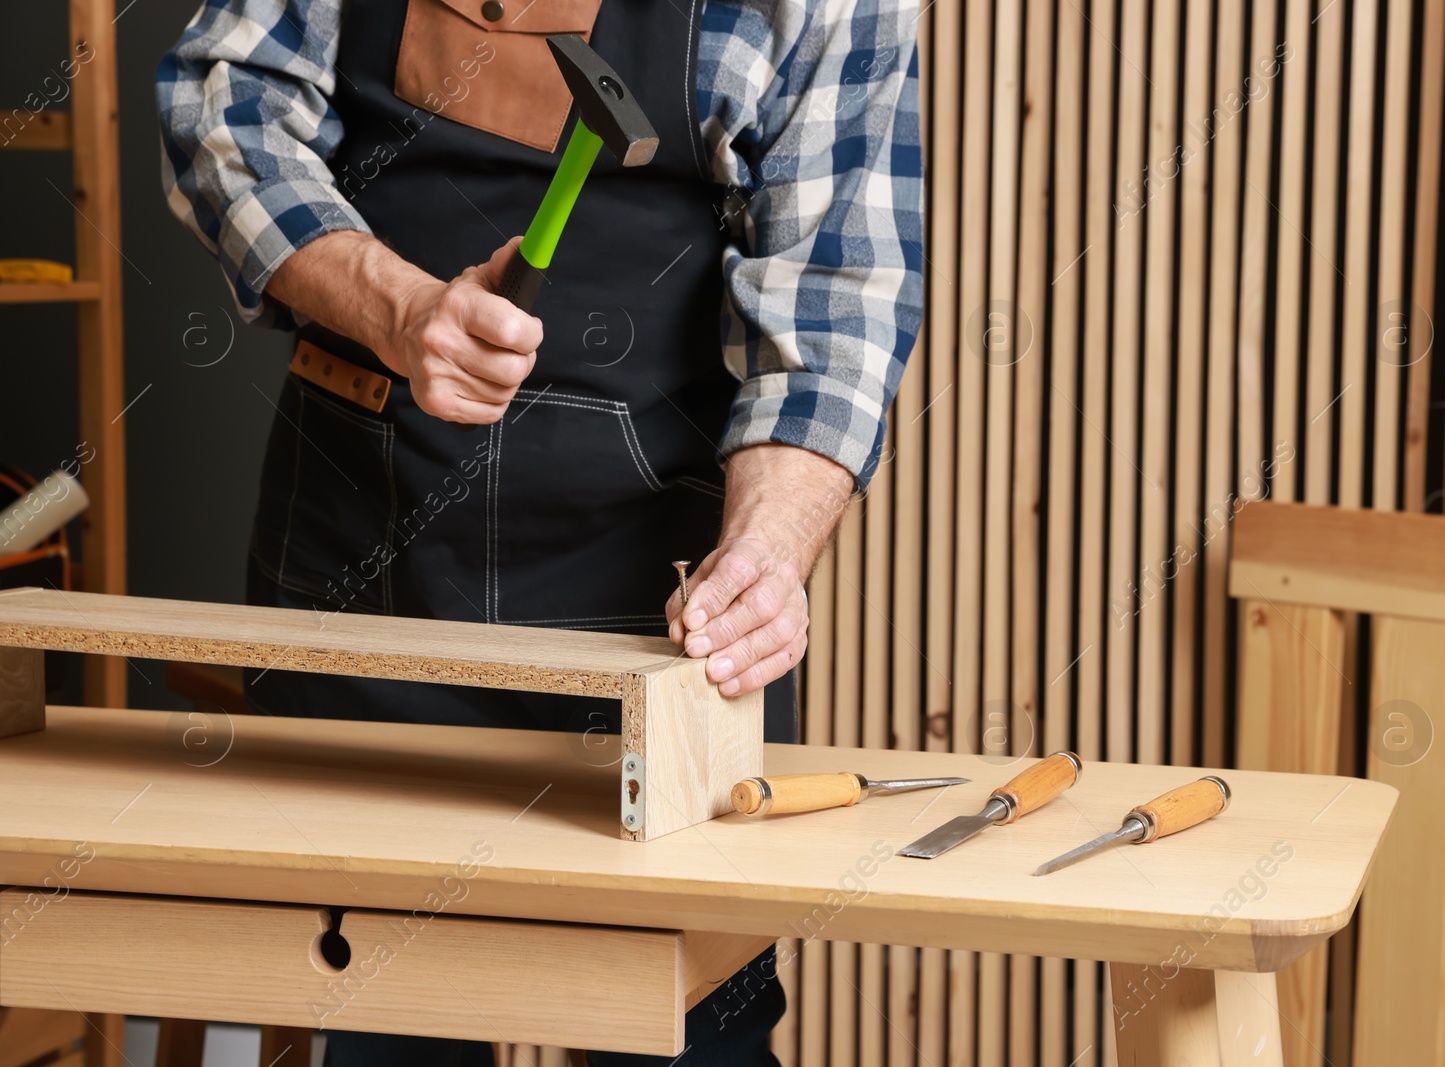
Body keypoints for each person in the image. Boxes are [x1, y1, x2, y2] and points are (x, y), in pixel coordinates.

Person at [157, 0, 922, 1062]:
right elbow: (219, 103)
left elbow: (839, 302)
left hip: (657, 601)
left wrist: (767, 551)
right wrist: (396, 307)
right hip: (369, 559)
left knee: (688, 1022)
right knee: (383, 1020)